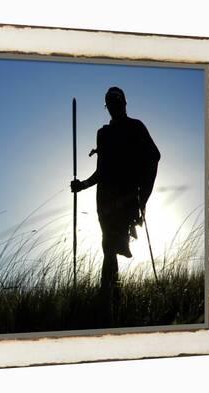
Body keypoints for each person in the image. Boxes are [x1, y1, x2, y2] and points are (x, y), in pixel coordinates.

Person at [70, 86, 161, 326]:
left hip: (127, 198)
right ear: (107, 106)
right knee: (108, 247)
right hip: (105, 200)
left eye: (116, 101)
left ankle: (107, 301)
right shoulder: (104, 134)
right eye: (109, 102)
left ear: (124, 102)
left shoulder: (136, 127)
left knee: (109, 247)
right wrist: (82, 185)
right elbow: (101, 171)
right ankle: (113, 300)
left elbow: (154, 156)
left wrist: (144, 196)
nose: (113, 105)